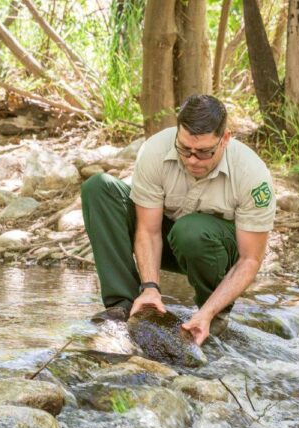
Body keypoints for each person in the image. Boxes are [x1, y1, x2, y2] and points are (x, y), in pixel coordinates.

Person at [81, 94, 275, 346]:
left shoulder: (252, 175)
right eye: (184, 149)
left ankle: (213, 314)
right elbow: (148, 230)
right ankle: (123, 308)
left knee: (191, 230)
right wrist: (150, 288)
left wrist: (207, 313)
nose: (192, 159)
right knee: (99, 188)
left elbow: (250, 259)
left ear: (225, 139)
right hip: (168, 242)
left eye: (204, 152)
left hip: (216, 251)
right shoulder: (155, 149)